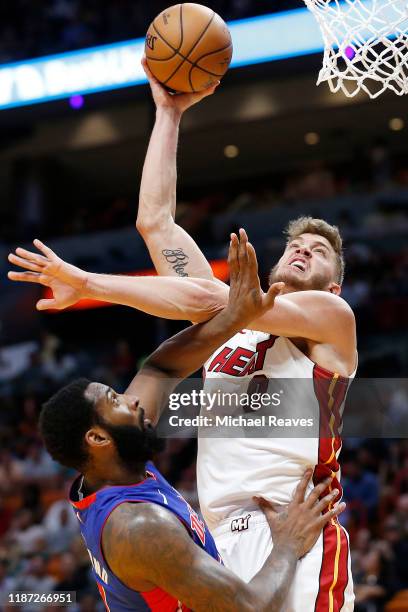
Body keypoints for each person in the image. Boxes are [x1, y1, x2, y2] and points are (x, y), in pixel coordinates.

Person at [7, 61, 357, 611]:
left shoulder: (331, 319)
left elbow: (207, 300)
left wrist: (90, 281)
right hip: (217, 530)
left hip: (292, 523)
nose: (302, 250)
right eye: (295, 244)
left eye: (318, 254)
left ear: (333, 286)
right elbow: (157, 225)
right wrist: (168, 112)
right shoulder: (231, 333)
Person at [20, 237, 345, 611]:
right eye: (117, 402)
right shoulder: (139, 525)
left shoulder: (115, 470)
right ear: (97, 437)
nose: (132, 400)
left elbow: (162, 367)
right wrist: (287, 545)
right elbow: (251, 608)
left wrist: (233, 318)